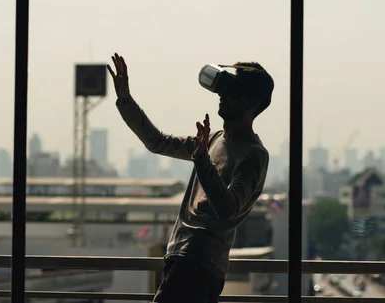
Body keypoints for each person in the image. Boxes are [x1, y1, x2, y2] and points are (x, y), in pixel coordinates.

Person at [107, 52, 274, 303]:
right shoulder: (214, 139)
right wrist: (125, 101)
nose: (222, 94)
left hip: (198, 262)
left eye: (232, 90)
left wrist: (201, 159)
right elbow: (158, 142)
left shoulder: (254, 155)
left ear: (251, 104)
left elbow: (228, 207)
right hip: (182, 256)